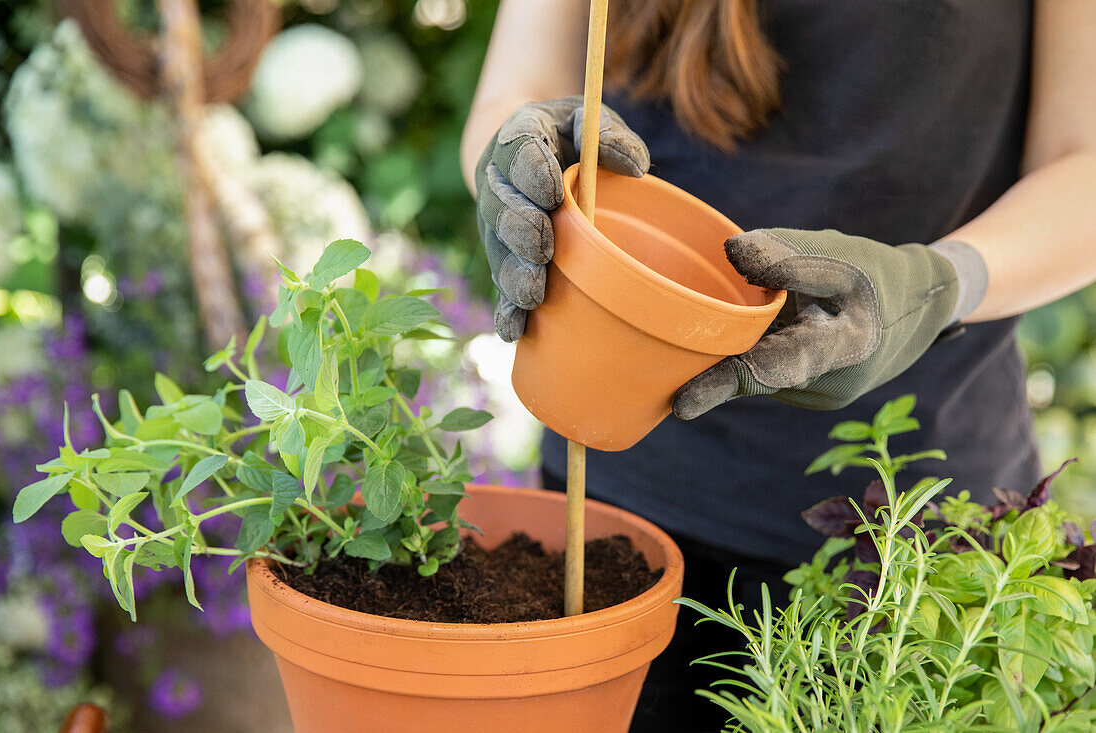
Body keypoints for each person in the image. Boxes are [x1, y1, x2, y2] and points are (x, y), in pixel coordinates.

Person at [460, 1, 1096, 730]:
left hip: (915, 556)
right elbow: (512, 89)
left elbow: (1086, 162)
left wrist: (939, 283)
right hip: (616, 504)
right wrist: (513, 159)